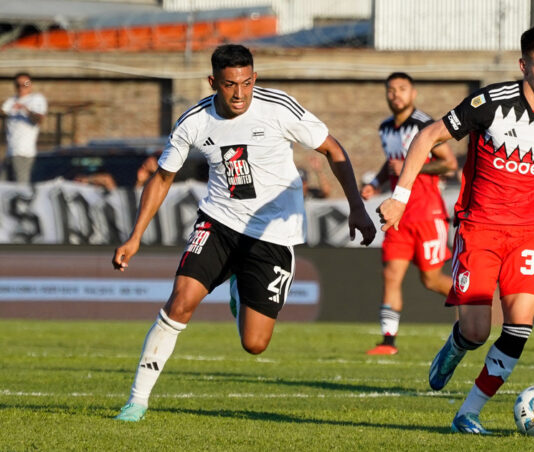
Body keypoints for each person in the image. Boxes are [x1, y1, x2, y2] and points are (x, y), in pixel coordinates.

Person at [111, 44, 376, 422]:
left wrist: (356, 207)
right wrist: (135, 236)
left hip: (273, 233)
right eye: (230, 84)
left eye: (247, 82)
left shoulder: (279, 108)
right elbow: (163, 177)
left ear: (255, 79)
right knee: (180, 301)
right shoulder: (193, 121)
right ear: (213, 82)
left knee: (255, 343)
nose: (240, 93)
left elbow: (333, 150)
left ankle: (237, 286)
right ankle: (136, 402)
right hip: (218, 222)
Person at [378, 25, 534, 434]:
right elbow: (428, 135)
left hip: (533, 233)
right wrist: (400, 195)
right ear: (524, 66)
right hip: (480, 229)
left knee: (518, 327)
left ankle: (469, 411)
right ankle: (457, 345)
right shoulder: (490, 104)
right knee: (477, 330)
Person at [360, 72, 457, 355]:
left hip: (427, 214)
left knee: (431, 279)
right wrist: (375, 183)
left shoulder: (425, 125)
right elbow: (390, 163)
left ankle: (474, 304)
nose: (396, 94)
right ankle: (388, 342)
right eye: (391, 90)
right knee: (391, 274)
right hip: (397, 215)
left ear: (413, 94)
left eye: (402, 89)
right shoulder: (386, 128)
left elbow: (448, 164)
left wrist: (409, 167)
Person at [1, 72, 47, 183]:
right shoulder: (12, 100)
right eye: (18, 84)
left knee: (20, 187)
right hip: (10, 151)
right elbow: (3, 112)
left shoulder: (36, 99)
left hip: (24, 152)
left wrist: (25, 109)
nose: (21, 87)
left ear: (30, 84)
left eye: (25, 84)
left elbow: (38, 119)